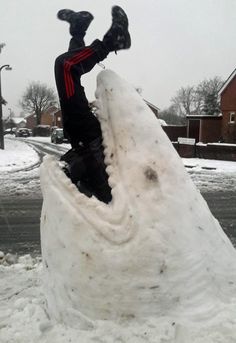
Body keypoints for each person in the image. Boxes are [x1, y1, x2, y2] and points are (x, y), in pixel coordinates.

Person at [54, 6, 131, 204]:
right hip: (89, 140)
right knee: (67, 67)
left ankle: (79, 31)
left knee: (70, 74)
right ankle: (111, 41)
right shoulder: (114, 201)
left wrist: (67, 170)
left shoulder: (110, 204)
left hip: (85, 141)